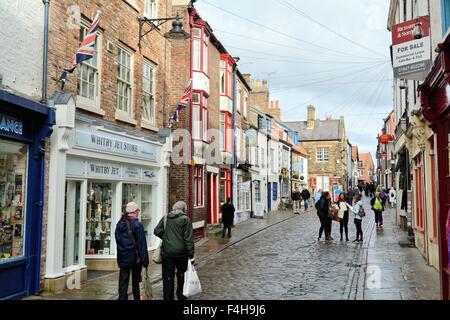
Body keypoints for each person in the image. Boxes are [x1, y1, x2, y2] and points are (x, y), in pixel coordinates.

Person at [154, 201, 194, 301]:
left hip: (167, 253)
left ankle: (168, 297)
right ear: (183, 209)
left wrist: (166, 238)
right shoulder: (185, 219)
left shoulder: (166, 218)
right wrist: (191, 254)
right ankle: (181, 296)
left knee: (168, 277)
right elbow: (188, 238)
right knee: (181, 275)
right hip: (181, 253)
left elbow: (156, 231)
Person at [115, 202, 149, 300]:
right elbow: (142, 244)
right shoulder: (137, 225)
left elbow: (117, 240)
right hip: (135, 258)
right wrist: (145, 262)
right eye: (138, 210)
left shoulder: (120, 224)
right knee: (136, 281)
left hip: (123, 256)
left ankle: (122, 298)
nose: (138, 212)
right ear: (134, 212)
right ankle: (137, 298)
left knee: (123, 280)